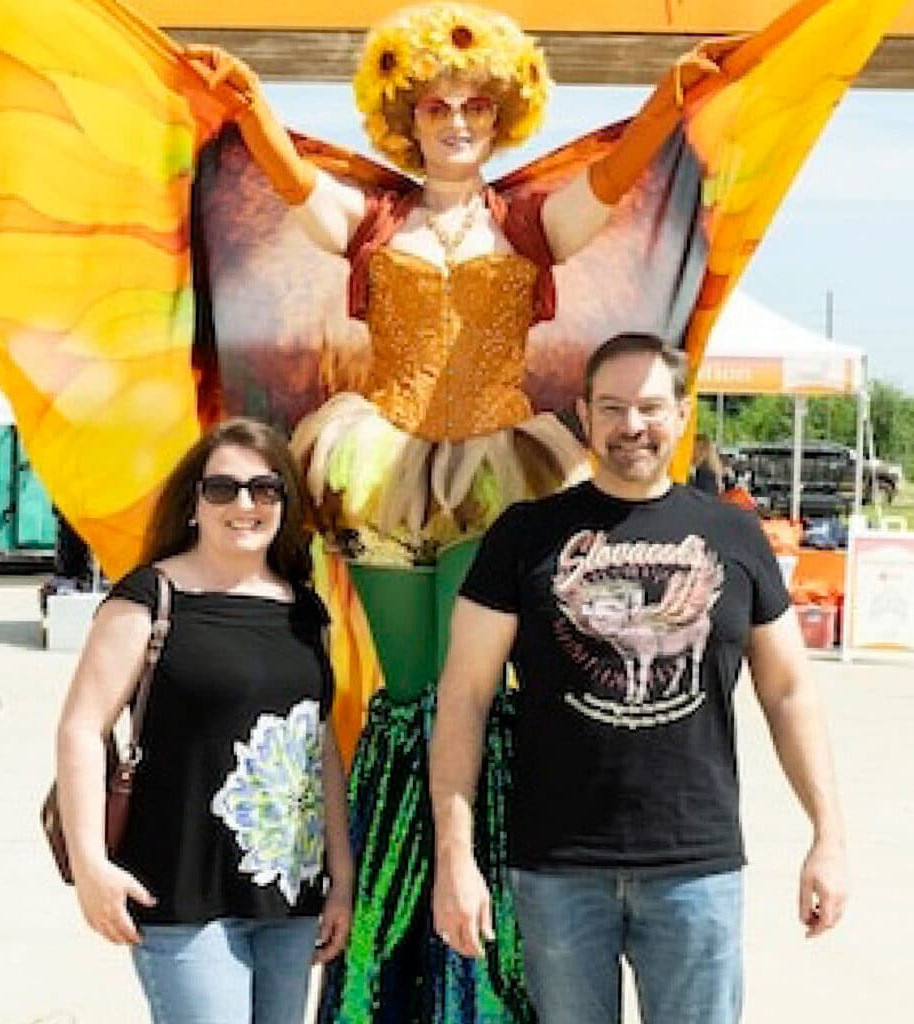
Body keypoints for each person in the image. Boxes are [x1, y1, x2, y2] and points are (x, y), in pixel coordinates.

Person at [184, 8, 734, 1019]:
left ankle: (490, 968)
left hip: (498, 478)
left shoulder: (527, 223)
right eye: (435, 106)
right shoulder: (371, 221)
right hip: (382, 470)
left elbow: (615, 181)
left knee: (474, 701)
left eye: (474, 105)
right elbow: (292, 184)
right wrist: (250, 103)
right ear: (406, 115)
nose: (455, 121)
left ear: (501, 113)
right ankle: (392, 958)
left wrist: (667, 101)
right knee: (408, 704)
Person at [431, 333, 847, 1024]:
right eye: (613, 407)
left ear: (682, 415)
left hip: (696, 866)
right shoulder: (524, 536)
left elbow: (788, 692)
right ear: (584, 415)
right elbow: (464, 696)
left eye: (651, 407)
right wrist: (454, 856)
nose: (632, 425)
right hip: (557, 867)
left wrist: (827, 836)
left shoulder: (735, 535)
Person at [55, 418, 352, 1024]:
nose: (244, 505)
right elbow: (81, 730)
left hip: (289, 899)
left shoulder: (306, 610)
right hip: (179, 892)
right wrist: (90, 865)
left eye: (265, 489)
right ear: (193, 504)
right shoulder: (149, 599)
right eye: (222, 489)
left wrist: (341, 877)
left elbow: (317, 746)